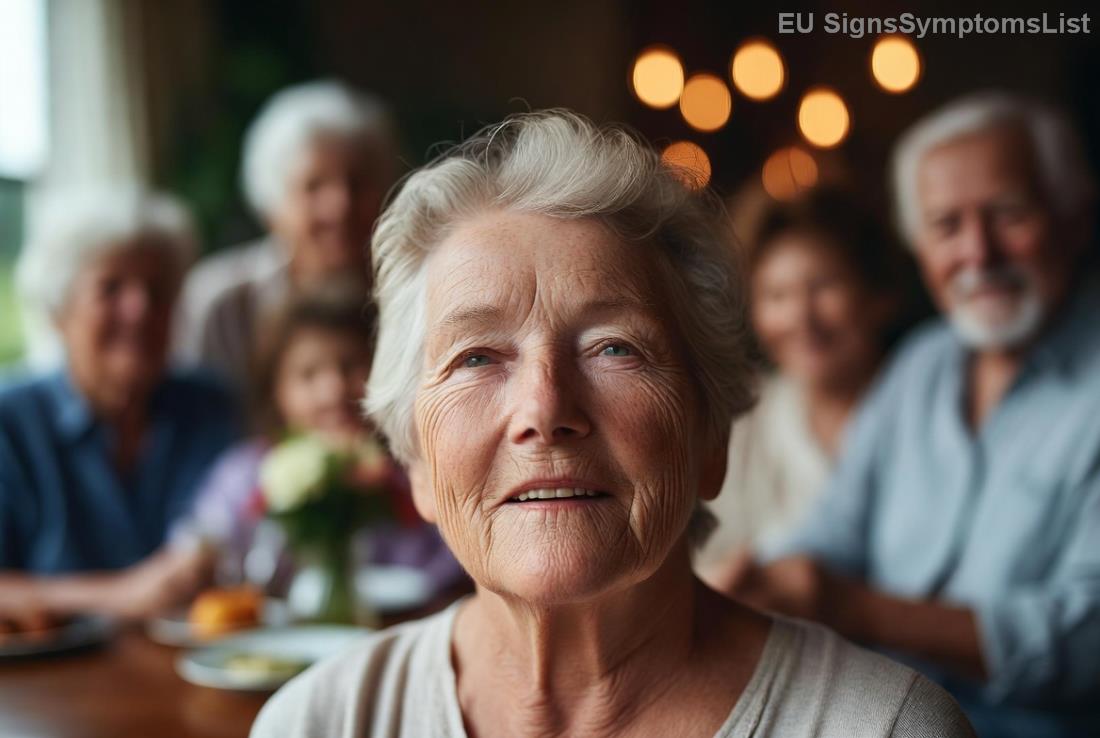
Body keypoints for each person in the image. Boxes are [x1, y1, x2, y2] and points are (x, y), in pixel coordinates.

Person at [250, 111, 973, 737]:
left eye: (613, 348)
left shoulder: (886, 727)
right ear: (416, 464)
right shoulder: (317, 722)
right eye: (476, 357)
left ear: (711, 439)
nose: (545, 410)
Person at [727, 92, 1100, 737]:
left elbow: (1084, 640)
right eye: (946, 226)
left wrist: (861, 611)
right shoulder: (921, 366)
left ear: (1074, 217)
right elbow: (833, 531)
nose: (977, 254)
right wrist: (749, 581)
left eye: (1007, 215)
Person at [0, 189, 240, 626]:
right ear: (59, 311)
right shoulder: (10, 421)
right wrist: (120, 595)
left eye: (158, 290)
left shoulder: (210, 406)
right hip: (51, 685)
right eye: (111, 288)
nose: (140, 308)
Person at [178, 281, 464, 595]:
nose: (333, 391)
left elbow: (454, 566)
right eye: (308, 374)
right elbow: (199, 545)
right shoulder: (247, 475)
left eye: (352, 366)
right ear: (277, 392)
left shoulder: (417, 474)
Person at [696, 187, 901, 589]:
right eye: (776, 295)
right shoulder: (741, 423)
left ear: (878, 294)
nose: (800, 317)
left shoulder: (926, 405)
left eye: (823, 286)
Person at [175, 80, 401, 388]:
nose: (340, 206)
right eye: (314, 186)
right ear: (271, 207)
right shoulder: (222, 301)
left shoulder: (408, 288)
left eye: (357, 182)